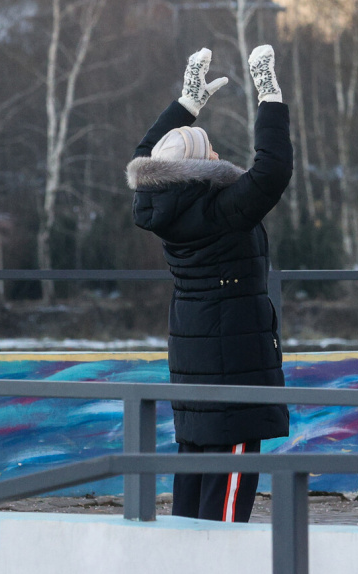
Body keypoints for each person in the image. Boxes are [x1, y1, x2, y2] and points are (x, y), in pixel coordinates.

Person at [127, 45, 293, 522]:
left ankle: (184, 555)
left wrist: (187, 104)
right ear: (198, 168)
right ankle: (217, 558)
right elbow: (272, 170)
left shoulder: (157, 205)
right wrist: (269, 96)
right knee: (227, 494)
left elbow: (144, 157)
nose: (219, 155)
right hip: (232, 362)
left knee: (194, 469)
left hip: (193, 356)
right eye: (211, 153)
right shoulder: (221, 209)